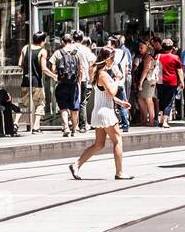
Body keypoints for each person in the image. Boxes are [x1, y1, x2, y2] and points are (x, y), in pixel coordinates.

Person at [68, 47, 133, 181]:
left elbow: (106, 94)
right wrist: (117, 79)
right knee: (117, 140)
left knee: (99, 144)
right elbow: (111, 92)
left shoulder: (98, 72)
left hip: (99, 111)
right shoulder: (103, 74)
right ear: (107, 59)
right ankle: (119, 172)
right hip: (106, 112)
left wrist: (120, 103)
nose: (113, 62)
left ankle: (76, 165)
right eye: (112, 59)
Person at [18, 32, 49, 133]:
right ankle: (36, 127)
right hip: (37, 82)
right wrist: (54, 76)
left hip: (25, 80)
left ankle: (15, 123)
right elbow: (44, 69)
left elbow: (20, 64)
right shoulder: (43, 51)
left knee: (23, 104)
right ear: (42, 41)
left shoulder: (25, 48)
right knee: (40, 104)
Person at [51, 37, 83, 136]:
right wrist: (79, 82)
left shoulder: (57, 53)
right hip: (73, 84)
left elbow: (52, 68)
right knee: (74, 107)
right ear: (71, 42)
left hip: (61, 84)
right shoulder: (77, 53)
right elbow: (80, 69)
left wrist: (56, 77)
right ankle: (74, 128)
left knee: (63, 106)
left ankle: (66, 127)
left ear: (62, 42)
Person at [155, 39, 183, 128]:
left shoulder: (158, 56)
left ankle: (161, 120)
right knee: (169, 102)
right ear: (172, 48)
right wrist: (182, 81)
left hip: (160, 82)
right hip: (172, 82)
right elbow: (179, 71)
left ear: (162, 48)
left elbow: (153, 68)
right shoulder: (175, 58)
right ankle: (165, 121)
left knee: (161, 100)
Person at [109, 35, 133, 132]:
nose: (107, 44)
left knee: (111, 103)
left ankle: (114, 122)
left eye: (109, 42)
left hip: (112, 82)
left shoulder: (111, 53)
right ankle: (125, 123)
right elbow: (126, 68)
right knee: (122, 103)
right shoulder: (124, 53)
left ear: (113, 44)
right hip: (121, 82)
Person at [136, 41, 158, 126]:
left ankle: (151, 120)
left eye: (142, 48)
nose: (140, 49)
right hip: (147, 80)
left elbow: (146, 70)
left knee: (148, 99)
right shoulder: (145, 57)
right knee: (141, 99)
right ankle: (145, 119)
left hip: (148, 80)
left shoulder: (148, 57)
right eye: (139, 47)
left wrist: (140, 82)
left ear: (147, 48)